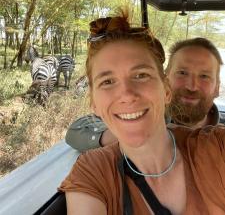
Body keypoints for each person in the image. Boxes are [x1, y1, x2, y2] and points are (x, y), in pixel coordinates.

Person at [59, 11, 225, 214]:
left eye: (141, 75)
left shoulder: (217, 145)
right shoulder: (93, 171)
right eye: (107, 81)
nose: (127, 95)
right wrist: (121, 131)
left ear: (165, 90)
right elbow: (77, 131)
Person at [66, 37, 223, 151]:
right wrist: (129, 132)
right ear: (165, 80)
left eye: (204, 76)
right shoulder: (145, 115)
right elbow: (76, 131)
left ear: (217, 87)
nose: (191, 86)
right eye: (182, 73)